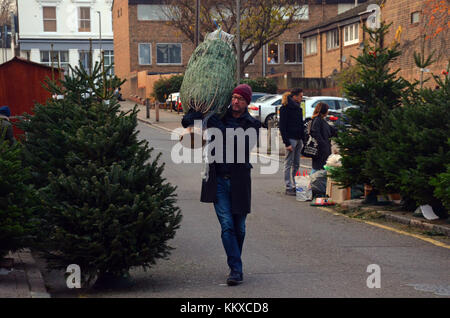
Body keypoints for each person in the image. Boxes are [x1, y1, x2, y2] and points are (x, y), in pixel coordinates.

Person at [181, 84, 261, 286]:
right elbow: (191, 128)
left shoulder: (251, 124)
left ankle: (235, 262)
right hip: (218, 179)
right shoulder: (218, 116)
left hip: (240, 180)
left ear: (247, 103)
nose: (236, 101)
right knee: (227, 226)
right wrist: (193, 116)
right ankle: (236, 269)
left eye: (241, 99)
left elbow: (240, 147)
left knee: (239, 228)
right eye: (234, 97)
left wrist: (219, 128)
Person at [279, 88, 304, 196]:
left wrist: (303, 138)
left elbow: (300, 124)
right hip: (291, 139)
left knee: (297, 164)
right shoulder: (285, 108)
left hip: (298, 139)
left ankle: (295, 185)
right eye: (300, 96)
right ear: (294, 96)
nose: (301, 98)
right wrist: (286, 142)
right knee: (288, 163)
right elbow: (282, 126)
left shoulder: (299, 108)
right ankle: (288, 186)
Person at [310, 102, 337, 172]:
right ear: (324, 110)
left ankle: (314, 181)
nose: (328, 112)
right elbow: (315, 133)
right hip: (320, 150)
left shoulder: (321, 120)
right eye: (327, 110)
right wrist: (323, 144)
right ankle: (312, 182)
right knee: (317, 169)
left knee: (320, 168)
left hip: (323, 149)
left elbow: (332, 130)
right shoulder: (318, 120)